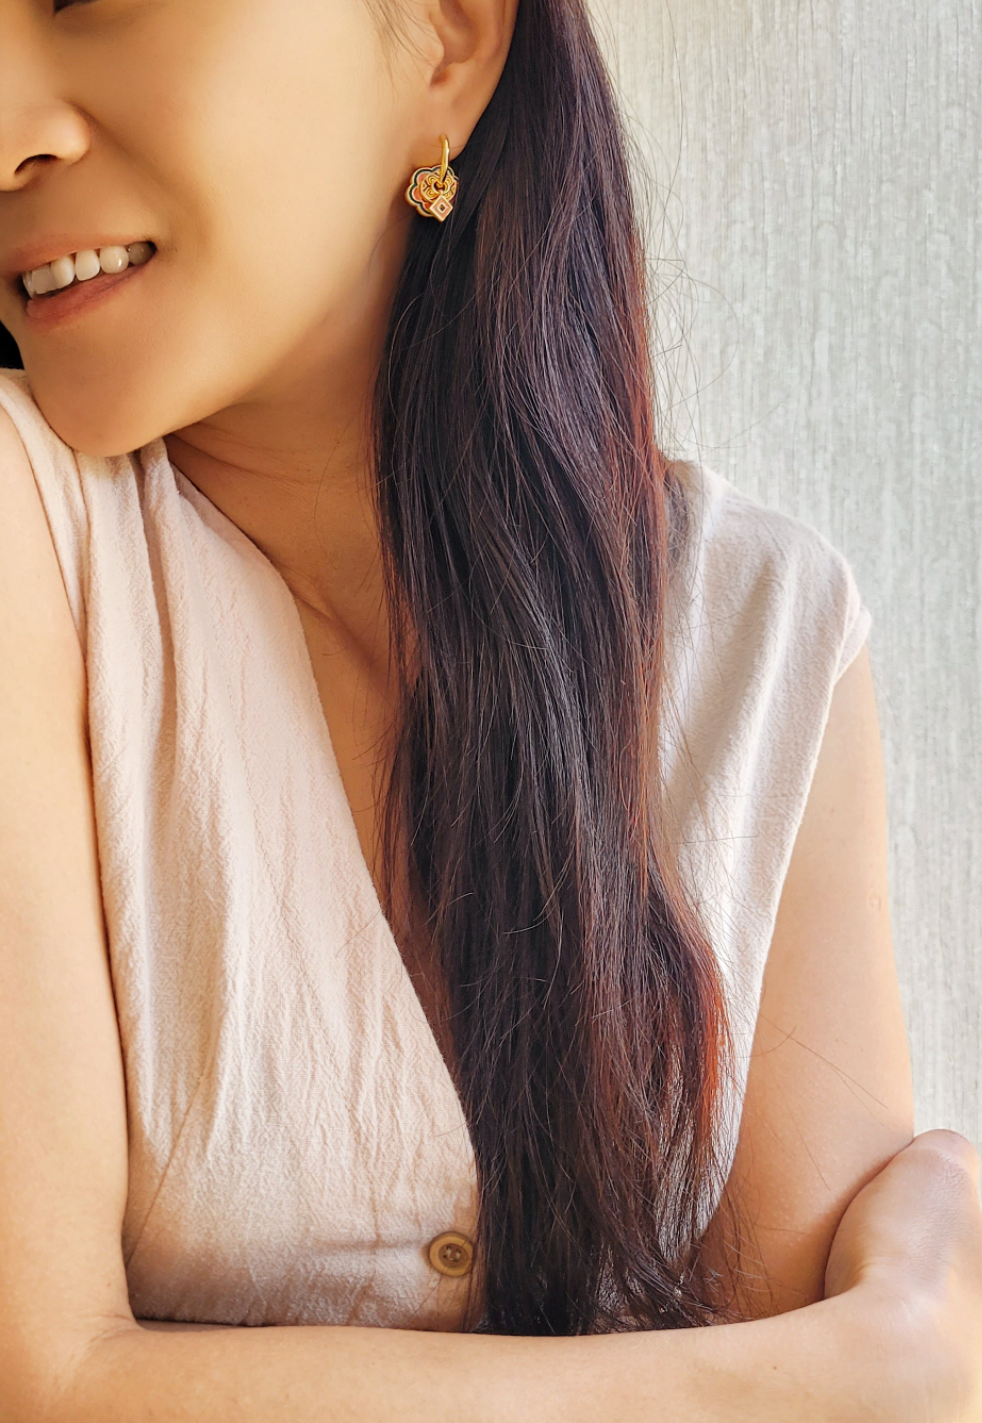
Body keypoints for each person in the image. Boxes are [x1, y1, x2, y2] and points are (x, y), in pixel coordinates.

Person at [0, 0, 979, 1418]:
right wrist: (817, 1373)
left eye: (93, 1)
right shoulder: (36, 541)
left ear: (444, 40)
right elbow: (42, 1379)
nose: (9, 125)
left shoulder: (763, 636)